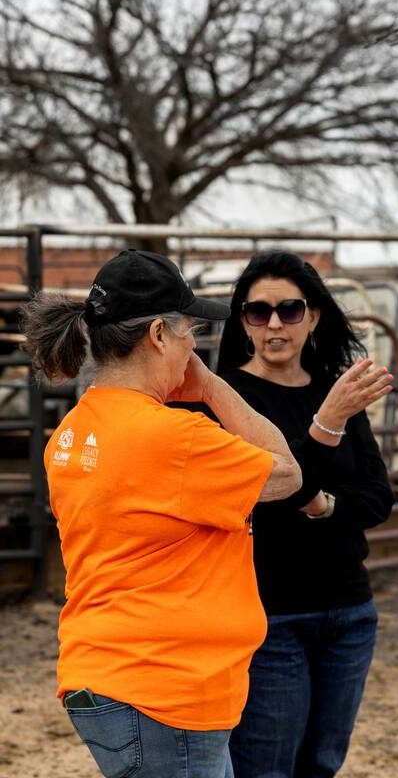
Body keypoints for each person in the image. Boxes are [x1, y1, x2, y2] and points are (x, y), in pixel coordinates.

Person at [20, 249, 304, 778]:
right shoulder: (173, 439)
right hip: (166, 687)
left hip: (110, 671)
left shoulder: (73, 431)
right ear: (157, 334)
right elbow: (287, 472)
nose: (193, 345)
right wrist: (213, 388)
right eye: (188, 330)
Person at [215, 250, 395, 778]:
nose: (274, 324)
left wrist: (320, 505)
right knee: (267, 768)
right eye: (258, 311)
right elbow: (258, 496)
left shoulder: (335, 390)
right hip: (271, 614)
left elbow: (378, 498)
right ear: (242, 321)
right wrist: (326, 426)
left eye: (290, 310)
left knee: (322, 763)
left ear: (313, 317)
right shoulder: (225, 398)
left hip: (349, 610)